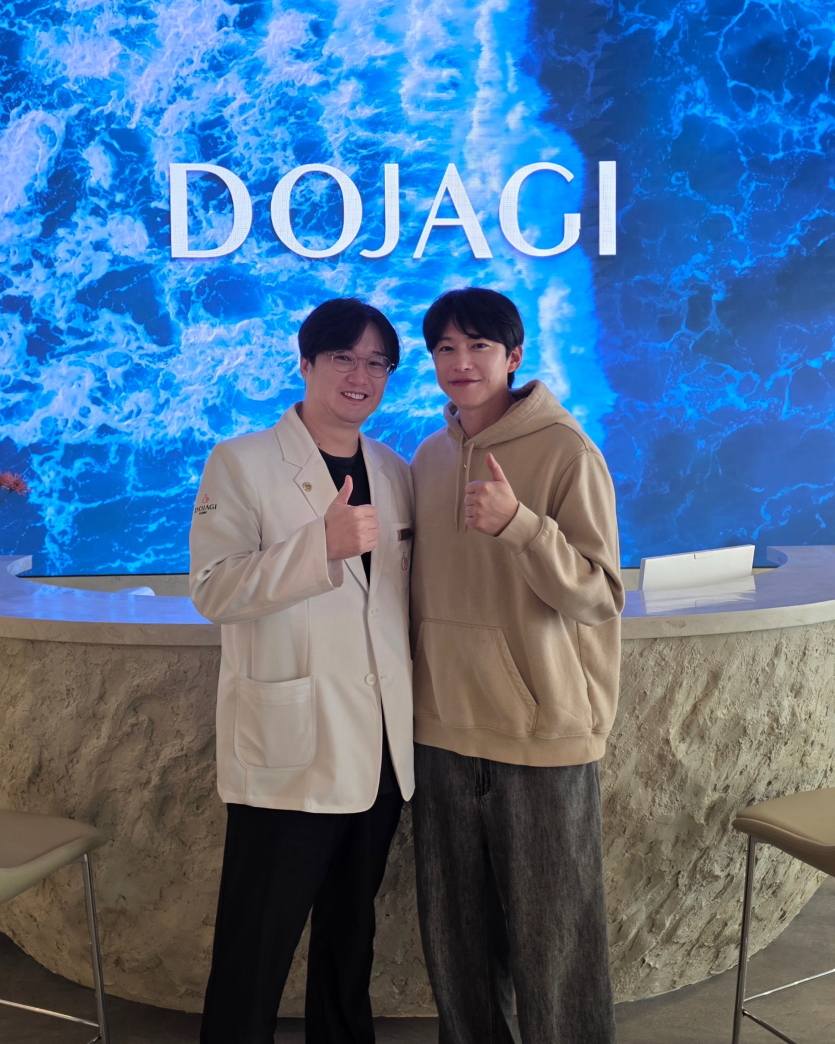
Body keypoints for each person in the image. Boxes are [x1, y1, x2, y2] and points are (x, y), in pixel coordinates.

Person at [190, 297, 415, 1044]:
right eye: (343, 358)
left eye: (376, 362)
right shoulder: (242, 461)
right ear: (306, 363)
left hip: (378, 749)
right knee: (256, 944)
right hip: (291, 747)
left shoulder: (395, 470)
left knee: (351, 938)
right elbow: (214, 589)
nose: (360, 375)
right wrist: (319, 546)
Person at [409, 287, 624, 1044]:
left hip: (541, 733)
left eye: (478, 346)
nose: (460, 362)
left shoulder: (566, 450)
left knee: (555, 949)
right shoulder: (429, 457)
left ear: (513, 355)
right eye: (445, 348)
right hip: (441, 730)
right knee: (456, 952)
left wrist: (522, 527)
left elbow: (599, 594)